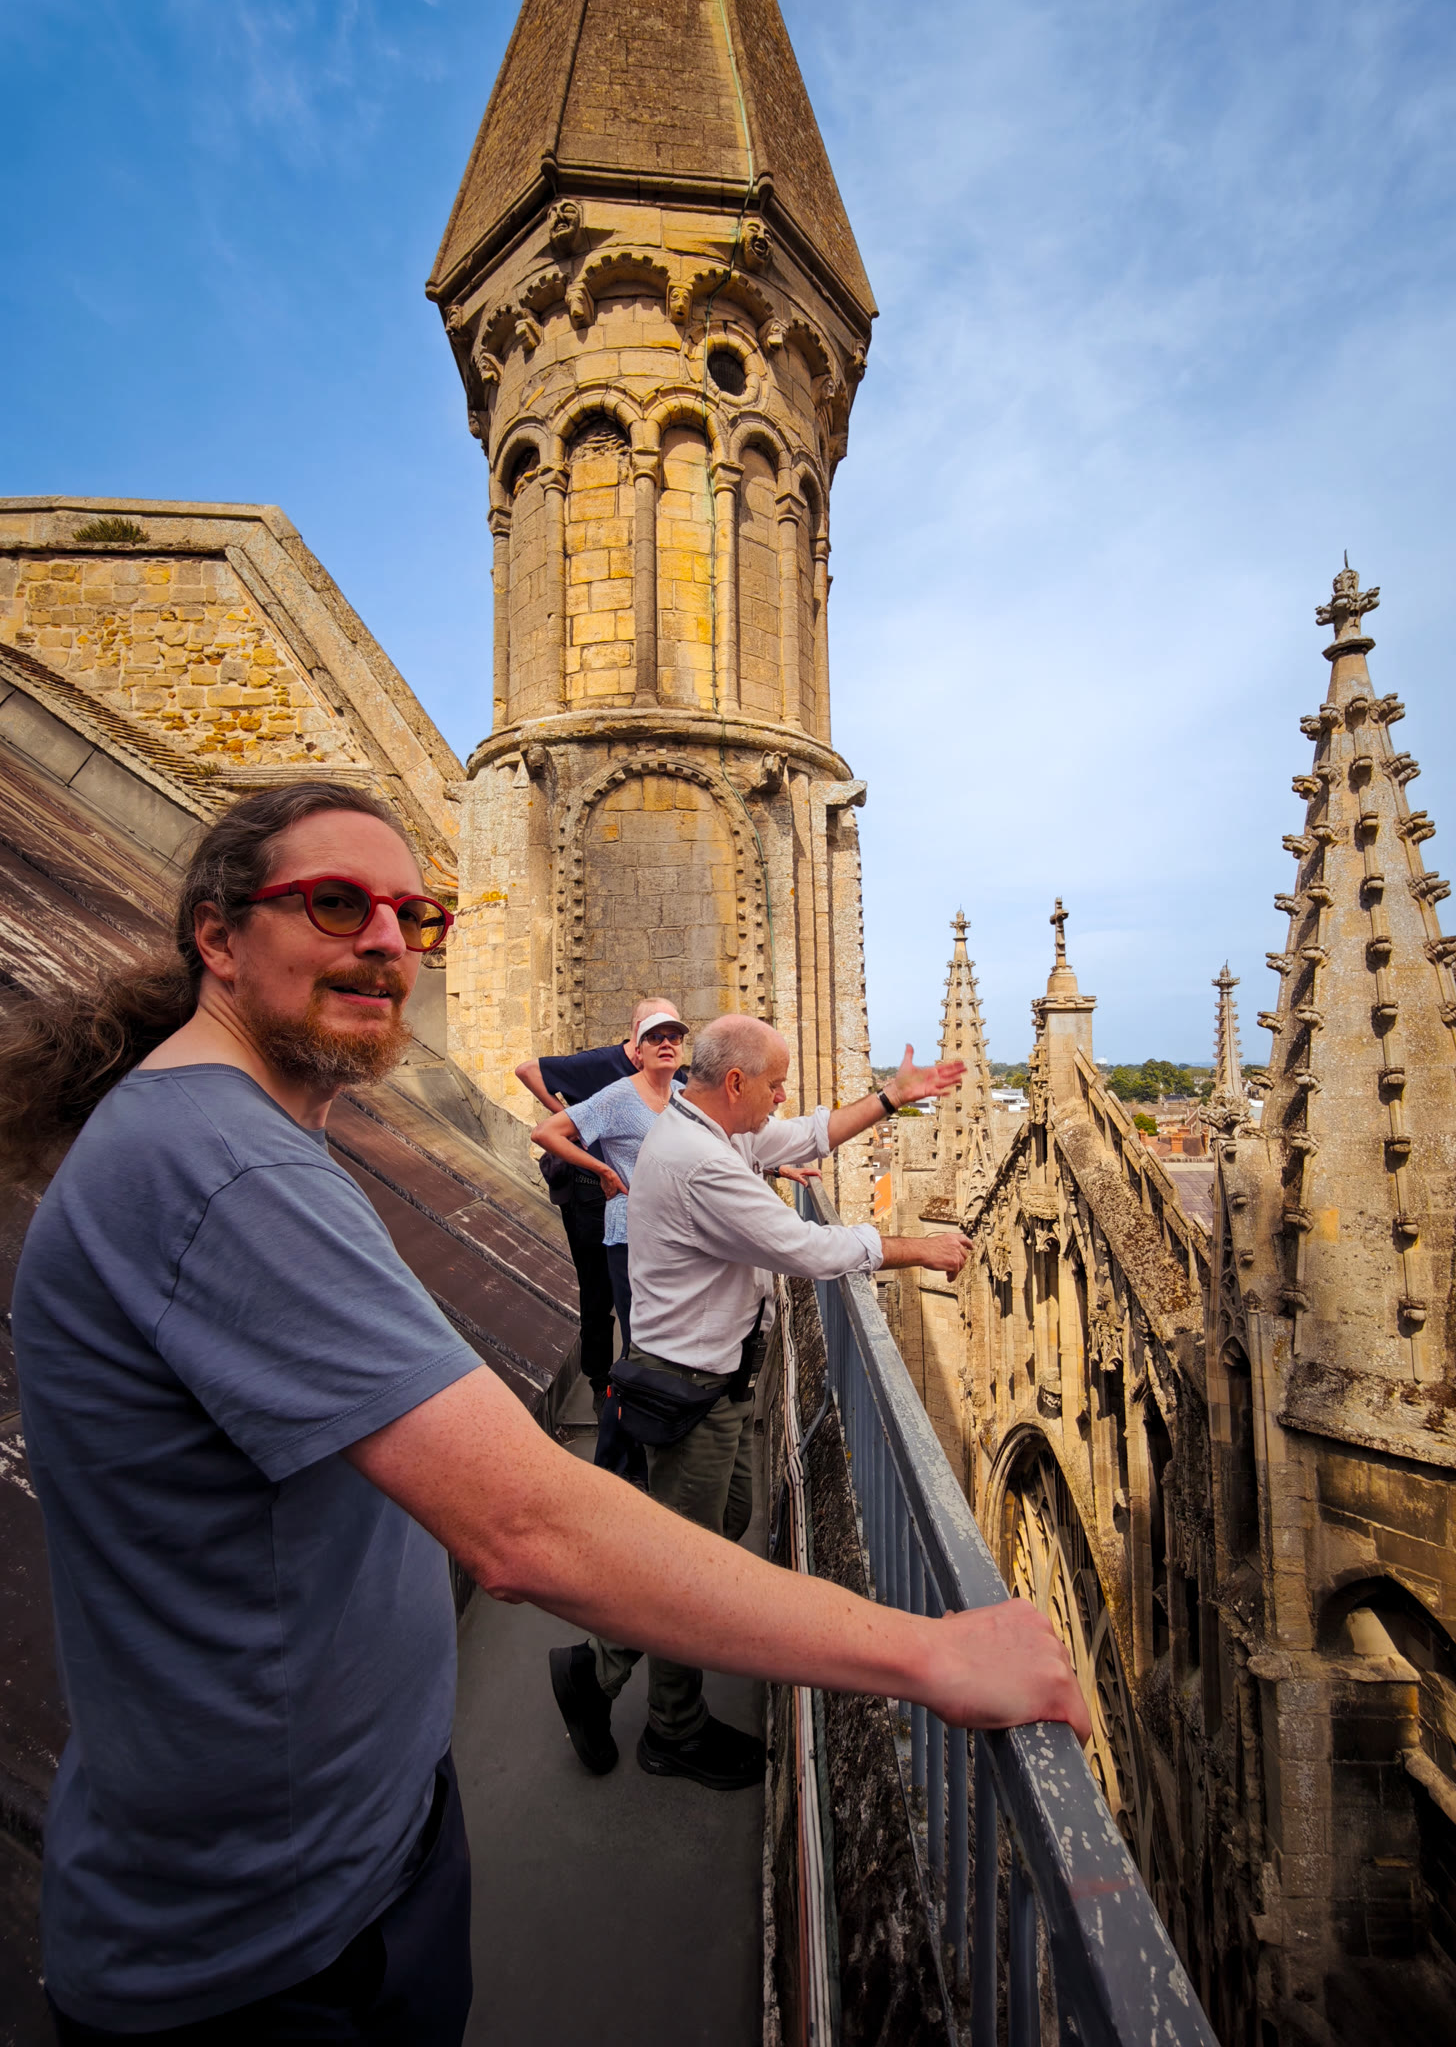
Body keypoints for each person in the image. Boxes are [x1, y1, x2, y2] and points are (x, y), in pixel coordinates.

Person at [6, 783, 1089, 2044]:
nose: (388, 942)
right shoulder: (223, 1165)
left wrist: (885, 1101)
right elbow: (525, 1527)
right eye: (336, 903)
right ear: (217, 935)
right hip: (266, 1947)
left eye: (417, 916)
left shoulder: (216, 1131)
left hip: (332, 1865)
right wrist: (926, 1653)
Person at [548, 1015, 992, 1794]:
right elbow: (806, 1250)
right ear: (735, 1083)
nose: (782, 1097)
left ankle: (600, 1663)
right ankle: (668, 1726)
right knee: (689, 1574)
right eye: (775, 1084)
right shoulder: (698, 1162)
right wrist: (917, 1249)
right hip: (688, 1391)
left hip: (711, 1385)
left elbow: (804, 1135)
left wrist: (891, 1097)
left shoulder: (707, 1128)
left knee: (716, 1531)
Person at [530, 1005, 688, 1482]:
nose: (666, 1043)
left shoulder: (684, 1097)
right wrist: (600, 1166)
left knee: (661, 1344)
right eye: (655, 1037)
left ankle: (645, 1451)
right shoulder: (619, 1094)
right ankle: (616, 1462)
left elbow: (727, 1144)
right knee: (640, 1346)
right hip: (628, 1234)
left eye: (674, 1037)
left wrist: (776, 1165)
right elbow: (547, 1131)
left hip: (672, 1239)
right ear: (637, 1048)